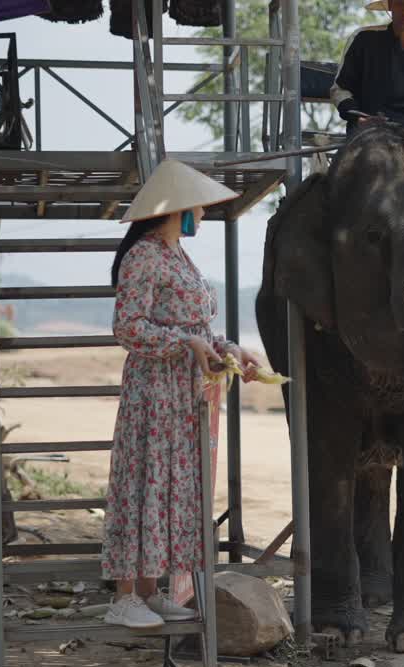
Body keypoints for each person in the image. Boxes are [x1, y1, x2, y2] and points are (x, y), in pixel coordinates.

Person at [102, 159, 267, 629]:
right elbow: (128, 327)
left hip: (184, 391)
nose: (204, 212)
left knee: (171, 484)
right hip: (154, 390)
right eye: (198, 205)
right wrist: (187, 345)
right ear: (177, 209)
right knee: (145, 482)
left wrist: (230, 350)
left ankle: (151, 592)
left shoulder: (176, 255)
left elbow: (196, 326)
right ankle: (124, 597)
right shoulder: (144, 256)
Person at [330, 0, 404, 136]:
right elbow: (340, 89)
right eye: (400, 3)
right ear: (390, 5)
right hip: (366, 135)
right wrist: (359, 119)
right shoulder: (363, 39)